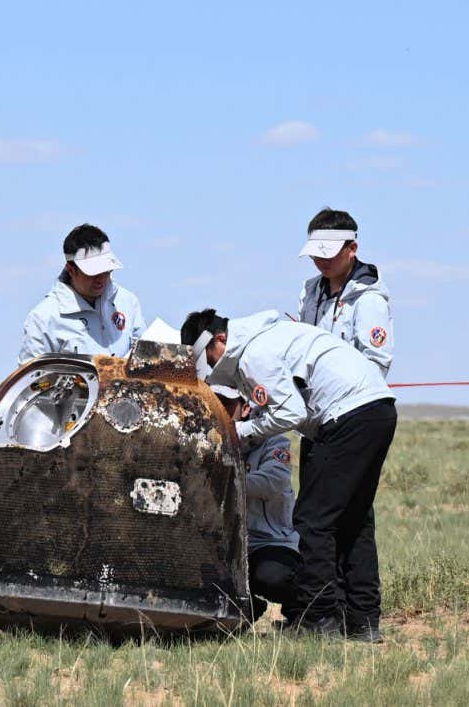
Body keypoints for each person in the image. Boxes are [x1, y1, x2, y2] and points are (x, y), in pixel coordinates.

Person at [182, 308, 395, 642]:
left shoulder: (254, 354)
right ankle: (362, 620)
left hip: (345, 414)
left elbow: (291, 412)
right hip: (377, 408)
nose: (210, 368)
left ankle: (320, 620)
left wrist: (241, 430)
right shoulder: (270, 337)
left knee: (314, 520)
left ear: (220, 339)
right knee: (354, 520)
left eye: (208, 358)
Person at [20, 224, 174, 361]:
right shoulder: (43, 318)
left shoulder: (127, 302)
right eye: (93, 273)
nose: (101, 279)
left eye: (106, 271)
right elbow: (31, 382)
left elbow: (146, 357)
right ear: (71, 269)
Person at [212, 386, 300, 622]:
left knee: (272, 578)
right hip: (225, 546)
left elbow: (273, 481)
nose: (220, 408)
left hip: (269, 541)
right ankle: (246, 610)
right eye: (215, 401)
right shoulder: (208, 442)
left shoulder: (273, 442)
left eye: (227, 403)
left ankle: (304, 609)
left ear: (246, 408)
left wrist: (223, 480)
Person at [296, 208, 393, 377]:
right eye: (315, 255)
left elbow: (376, 364)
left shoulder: (369, 299)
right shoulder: (308, 293)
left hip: (354, 399)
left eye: (328, 255)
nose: (321, 261)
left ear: (352, 249)